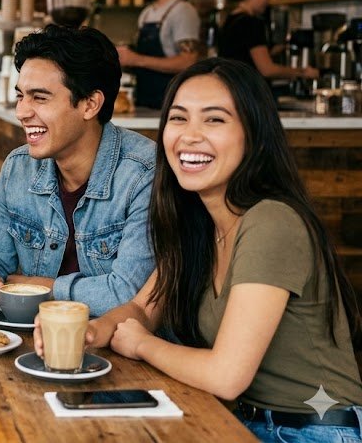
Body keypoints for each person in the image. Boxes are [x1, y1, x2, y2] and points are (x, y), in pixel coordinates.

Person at [36, 58, 362, 441]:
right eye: (178, 118)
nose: (190, 136)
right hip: (241, 421)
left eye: (214, 120)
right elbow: (143, 307)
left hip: (315, 430)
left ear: (253, 134)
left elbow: (226, 376)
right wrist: (93, 331)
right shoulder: (200, 222)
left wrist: (142, 344)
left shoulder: (271, 221)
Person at [0, 25, 156, 318]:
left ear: (90, 104)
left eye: (39, 97)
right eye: (21, 96)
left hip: (119, 351)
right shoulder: (19, 166)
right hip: (33, 342)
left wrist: (38, 287)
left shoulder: (142, 175)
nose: (22, 111)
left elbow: (129, 295)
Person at [118, 0, 202, 109]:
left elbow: (189, 61)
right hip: (144, 101)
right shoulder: (147, 13)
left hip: (170, 104)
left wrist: (136, 59)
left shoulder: (182, 11)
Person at [219, 0, 319, 94]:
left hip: (231, 90)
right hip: (250, 93)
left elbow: (242, 54)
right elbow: (267, 69)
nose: (268, 1)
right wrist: (302, 72)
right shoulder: (251, 23)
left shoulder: (229, 19)